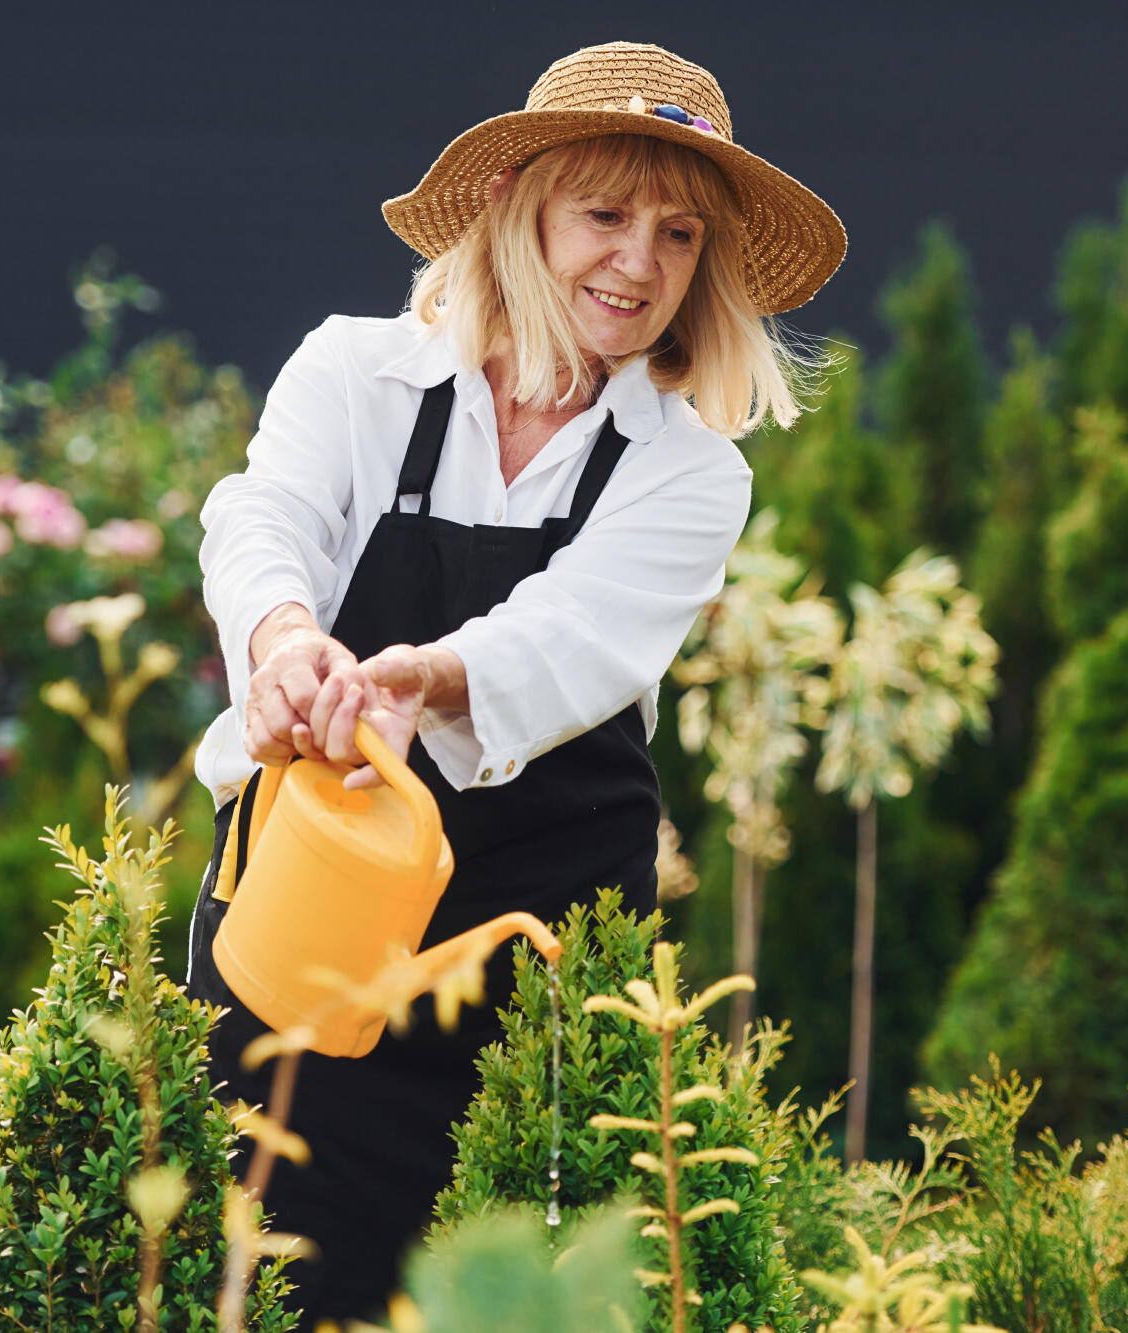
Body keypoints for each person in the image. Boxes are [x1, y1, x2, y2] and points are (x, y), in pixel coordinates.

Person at [184, 39, 846, 1323]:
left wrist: (414, 679)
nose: (638, 265)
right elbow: (260, 517)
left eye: (677, 235)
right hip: (304, 907)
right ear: (513, 210)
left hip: (530, 949)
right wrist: (282, 647)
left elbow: (571, 639)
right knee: (255, 1255)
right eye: (604, 215)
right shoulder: (352, 372)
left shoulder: (689, 469)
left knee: (506, 1280)